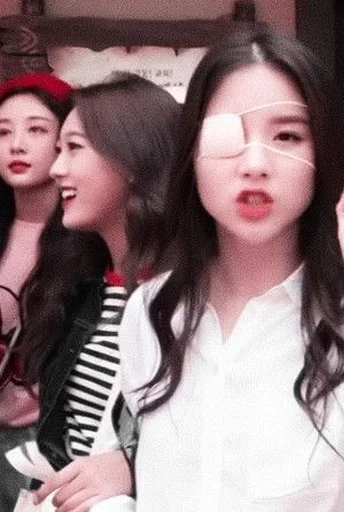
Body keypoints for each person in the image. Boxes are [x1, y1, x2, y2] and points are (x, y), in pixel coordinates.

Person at [117, 27, 344, 511]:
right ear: (193, 153)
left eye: (287, 136)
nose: (255, 163)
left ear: (320, 154)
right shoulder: (151, 312)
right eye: (229, 135)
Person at [16, 72, 181, 511]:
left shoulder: (188, 298)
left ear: (132, 160)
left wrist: (132, 466)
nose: (57, 169)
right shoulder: (81, 288)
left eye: (74, 148)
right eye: (58, 151)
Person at [0, 73, 73, 511]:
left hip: (42, 444)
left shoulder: (85, 237)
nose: (17, 145)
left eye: (37, 129)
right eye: (3, 132)